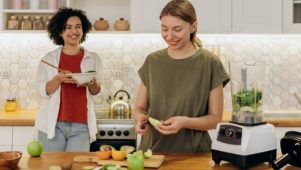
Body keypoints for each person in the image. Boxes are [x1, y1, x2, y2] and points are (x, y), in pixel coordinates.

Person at [134, 0, 230, 152]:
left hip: (194, 154)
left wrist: (185, 122)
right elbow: (139, 108)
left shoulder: (210, 62)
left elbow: (214, 118)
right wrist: (139, 118)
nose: (169, 36)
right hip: (152, 152)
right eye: (164, 29)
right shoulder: (152, 61)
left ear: (193, 26)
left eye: (177, 29)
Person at [35, 7, 102, 151]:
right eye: (68, 27)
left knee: (77, 166)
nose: (74, 31)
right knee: (51, 167)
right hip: (53, 125)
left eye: (78, 27)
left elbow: (96, 91)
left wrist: (92, 82)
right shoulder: (49, 59)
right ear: (60, 31)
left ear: (83, 30)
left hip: (81, 126)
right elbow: (41, 91)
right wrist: (58, 79)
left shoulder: (93, 59)